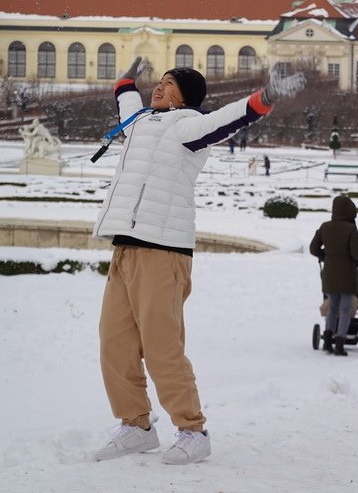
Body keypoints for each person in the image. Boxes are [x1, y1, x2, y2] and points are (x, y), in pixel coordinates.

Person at [93, 57, 304, 465]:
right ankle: (135, 425)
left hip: (164, 250)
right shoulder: (139, 121)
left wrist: (268, 96)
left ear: (186, 97)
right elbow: (124, 98)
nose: (159, 87)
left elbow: (230, 118)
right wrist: (126, 78)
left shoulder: (188, 126)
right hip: (126, 248)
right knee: (114, 344)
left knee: (161, 348)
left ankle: (192, 430)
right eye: (160, 81)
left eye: (170, 84)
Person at [309, 194, 358, 357]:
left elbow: (313, 248)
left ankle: (327, 341)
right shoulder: (351, 229)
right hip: (348, 275)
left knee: (332, 307)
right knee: (345, 309)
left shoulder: (325, 227)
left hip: (330, 274)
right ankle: (339, 342)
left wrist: (326, 256)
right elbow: (356, 253)